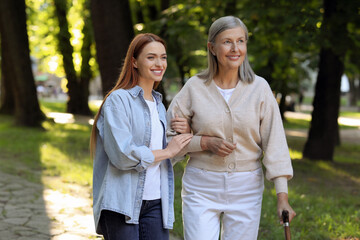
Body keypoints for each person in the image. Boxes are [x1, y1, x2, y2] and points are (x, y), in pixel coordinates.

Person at [167, 16, 296, 240]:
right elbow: (168, 141)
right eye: (227, 42)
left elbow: (275, 144)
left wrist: (282, 197)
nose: (235, 48)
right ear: (212, 48)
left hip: (246, 188)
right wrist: (203, 142)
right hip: (201, 186)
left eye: (241, 41)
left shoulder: (259, 88)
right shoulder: (194, 88)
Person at [90, 33, 192, 240]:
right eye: (151, 57)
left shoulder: (159, 106)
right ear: (134, 62)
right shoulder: (118, 100)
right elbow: (122, 155)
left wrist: (184, 135)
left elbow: (165, 158)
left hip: (156, 203)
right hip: (122, 204)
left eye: (163, 57)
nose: (159, 63)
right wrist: (167, 151)